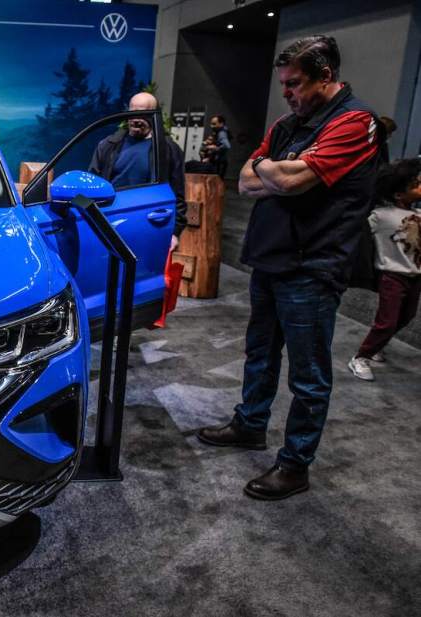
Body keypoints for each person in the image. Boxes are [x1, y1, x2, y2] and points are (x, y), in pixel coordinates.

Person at [196, 36, 383, 500]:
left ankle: (295, 465)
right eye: (283, 84)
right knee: (259, 353)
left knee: (308, 375)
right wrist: (270, 169)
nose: (287, 93)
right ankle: (250, 424)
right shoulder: (286, 124)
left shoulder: (356, 123)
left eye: (295, 83)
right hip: (273, 258)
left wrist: (273, 171)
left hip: (314, 266)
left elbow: (294, 181)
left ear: (326, 76)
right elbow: (243, 180)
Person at [348, 158, 421, 381]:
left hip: (415, 275)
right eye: (416, 185)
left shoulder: (418, 214)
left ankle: (377, 345)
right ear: (399, 194)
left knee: (407, 316)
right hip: (392, 275)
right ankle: (361, 357)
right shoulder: (381, 216)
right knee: (387, 321)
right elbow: (358, 232)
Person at [89, 92, 188, 251]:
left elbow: (177, 192)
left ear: (154, 115)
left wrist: (175, 232)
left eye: (142, 114)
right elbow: (92, 184)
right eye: (132, 113)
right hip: (110, 221)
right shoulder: (108, 145)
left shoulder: (167, 150)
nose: (136, 119)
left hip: (147, 223)